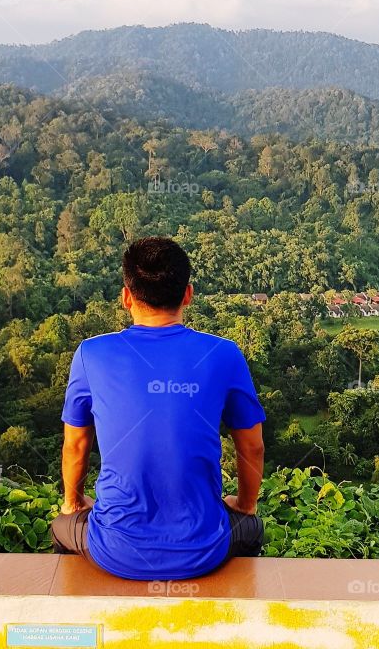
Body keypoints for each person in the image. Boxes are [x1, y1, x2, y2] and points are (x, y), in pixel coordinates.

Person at [50, 236, 266, 580]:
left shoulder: (91, 354)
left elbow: (75, 445)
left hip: (114, 550)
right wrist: (244, 505)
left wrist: (73, 503)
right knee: (251, 527)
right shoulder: (224, 354)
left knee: (61, 526)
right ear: (188, 295)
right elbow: (252, 446)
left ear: (126, 297)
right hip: (205, 550)